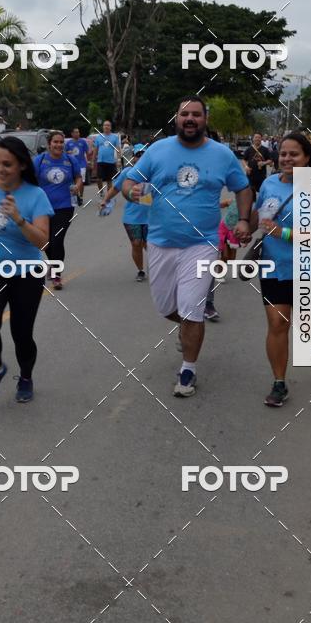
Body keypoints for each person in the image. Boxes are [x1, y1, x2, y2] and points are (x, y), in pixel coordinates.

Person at [123, 96, 252, 397]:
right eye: (185, 114)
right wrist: (136, 195)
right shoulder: (158, 150)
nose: (190, 119)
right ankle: (188, 329)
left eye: (196, 114)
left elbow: (243, 188)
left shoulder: (221, 155)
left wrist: (243, 220)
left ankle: (188, 370)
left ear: (205, 119)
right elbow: (129, 183)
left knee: (192, 309)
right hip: (160, 243)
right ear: (177, 118)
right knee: (166, 307)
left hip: (202, 244)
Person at [251, 132, 311, 408]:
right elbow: (260, 217)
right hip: (275, 267)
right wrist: (242, 228)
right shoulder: (269, 183)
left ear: (307, 158)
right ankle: (279, 383)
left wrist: (284, 233)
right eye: (284, 154)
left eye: (294, 154)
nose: (287, 159)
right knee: (278, 323)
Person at [0, 136, 54, 403]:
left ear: (21, 166)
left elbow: (43, 241)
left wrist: (18, 218)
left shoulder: (35, 196)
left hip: (26, 274)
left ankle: (26, 377)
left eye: (7, 164)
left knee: (21, 332)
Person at [34, 130, 83, 291]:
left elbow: (78, 177)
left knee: (56, 240)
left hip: (65, 207)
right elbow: (30, 180)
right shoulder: (40, 161)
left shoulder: (70, 160)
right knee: (45, 242)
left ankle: (56, 275)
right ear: (49, 144)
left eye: (61, 142)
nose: (58, 145)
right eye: (55, 142)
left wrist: (77, 186)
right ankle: (53, 265)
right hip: (42, 208)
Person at [100, 144, 150, 281]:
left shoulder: (153, 172)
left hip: (151, 217)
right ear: (133, 158)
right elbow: (115, 189)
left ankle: (157, 267)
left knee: (149, 245)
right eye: (138, 155)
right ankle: (140, 271)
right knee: (136, 243)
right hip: (132, 217)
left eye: (143, 155)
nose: (140, 157)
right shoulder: (127, 172)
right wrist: (105, 200)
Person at [203, 193, 241, 321]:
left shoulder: (248, 209)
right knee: (223, 255)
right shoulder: (232, 202)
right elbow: (220, 204)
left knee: (231, 258)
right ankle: (219, 273)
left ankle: (220, 269)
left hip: (235, 232)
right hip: (223, 229)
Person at [93, 120, 120, 197]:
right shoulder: (99, 137)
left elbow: (118, 149)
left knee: (109, 180)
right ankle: (101, 191)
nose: (106, 127)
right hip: (100, 161)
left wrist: (118, 160)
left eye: (108, 125)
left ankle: (108, 195)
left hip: (110, 161)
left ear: (110, 127)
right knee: (98, 179)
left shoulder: (114, 137)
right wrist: (93, 161)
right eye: (105, 125)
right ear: (103, 127)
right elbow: (95, 149)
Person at [64, 128, 90, 205]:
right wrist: (68, 152)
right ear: (72, 134)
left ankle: (81, 197)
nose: (77, 134)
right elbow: (64, 153)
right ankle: (74, 197)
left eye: (78, 132)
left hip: (81, 164)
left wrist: (88, 162)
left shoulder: (83, 142)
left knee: (81, 181)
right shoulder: (69, 143)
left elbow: (87, 152)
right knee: (72, 182)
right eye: (75, 132)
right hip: (71, 164)